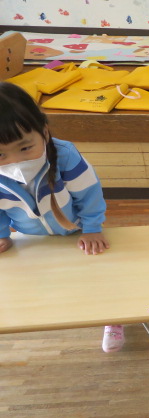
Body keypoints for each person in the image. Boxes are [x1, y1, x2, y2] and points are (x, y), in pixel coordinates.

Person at [0, 81, 123, 353]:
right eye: (0, 154)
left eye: (25, 148)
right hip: (33, 239)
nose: (14, 162)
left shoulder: (65, 155)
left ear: (44, 131)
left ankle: (113, 318)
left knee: (101, 277)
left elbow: (89, 194)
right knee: (46, 280)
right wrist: (2, 234)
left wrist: (92, 228)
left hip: (77, 231)